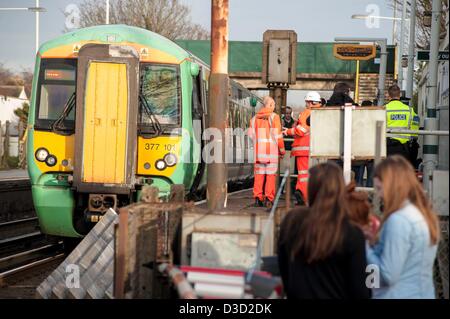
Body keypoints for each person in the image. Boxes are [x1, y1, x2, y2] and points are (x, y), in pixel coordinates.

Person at [278, 162, 371, 299]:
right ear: (340, 189)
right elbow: (359, 291)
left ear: (311, 189)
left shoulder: (292, 222)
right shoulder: (351, 233)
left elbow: (285, 273)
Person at [365, 155, 439, 299]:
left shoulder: (398, 220)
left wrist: (366, 247)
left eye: (380, 188)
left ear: (392, 186)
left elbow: (388, 275)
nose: (379, 195)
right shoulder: (424, 215)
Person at [283, 91, 322, 205]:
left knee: (303, 174)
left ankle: (303, 196)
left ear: (310, 102)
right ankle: (310, 197)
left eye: (306, 102)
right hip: (317, 150)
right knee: (313, 175)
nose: (305, 104)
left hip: (303, 150)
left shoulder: (306, 113)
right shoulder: (322, 113)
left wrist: (288, 131)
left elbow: (301, 130)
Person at [248, 96, 285, 209]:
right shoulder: (274, 117)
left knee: (259, 176)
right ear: (269, 105)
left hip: (259, 153)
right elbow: (278, 136)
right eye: (273, 105)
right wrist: (282, 150)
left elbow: (250, 135)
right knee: (270, 176)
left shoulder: (254, 119)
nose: (274, 107)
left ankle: (258, 198)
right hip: (271, 153)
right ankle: (269, 199)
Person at [385, 85, 414, 160]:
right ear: (399, 95)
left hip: (388, 147)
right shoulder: (409, 110)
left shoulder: (384, 109)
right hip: (404, 148)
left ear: (388, 95)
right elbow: (415, 127)